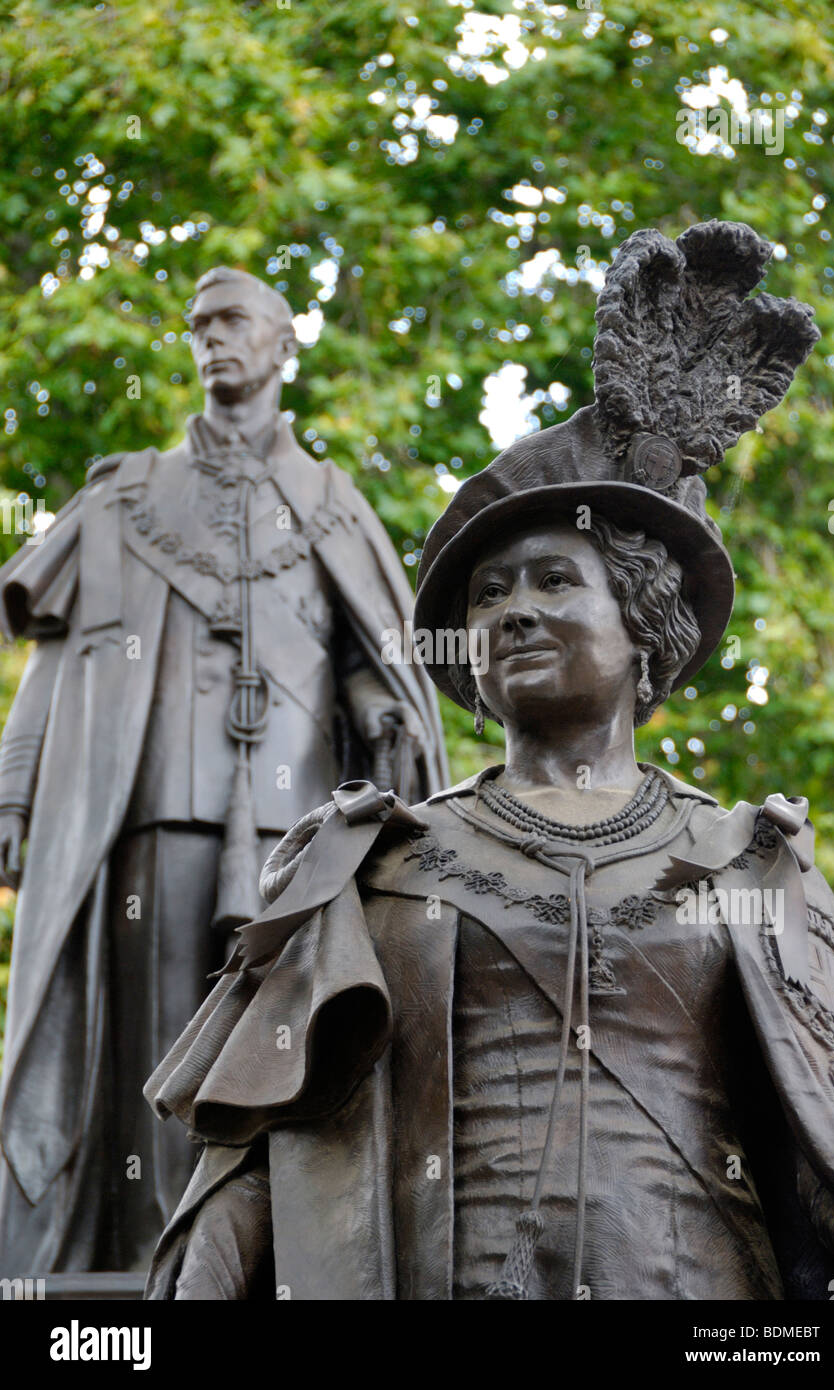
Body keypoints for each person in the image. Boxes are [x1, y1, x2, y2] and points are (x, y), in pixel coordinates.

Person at [145, 222, 834, 1300]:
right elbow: (251, 1156)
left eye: (553, 581)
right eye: (489, 595)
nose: (513, 611)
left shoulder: (748, 859)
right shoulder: (370, 862)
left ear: (644, 625)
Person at [0, 266, 447, 1281]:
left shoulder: (332, 503)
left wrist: (383, 715)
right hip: (154, 815)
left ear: (284, 344)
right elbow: (56, 665)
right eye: (198, 323)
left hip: (302, 835)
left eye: (234, 320)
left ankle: (271, 1267)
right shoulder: (125, 492)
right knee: (162, 1048)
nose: (212, 337)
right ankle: (152, 1262)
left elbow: (367, 659)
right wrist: (15, 790)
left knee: (288, 1044)